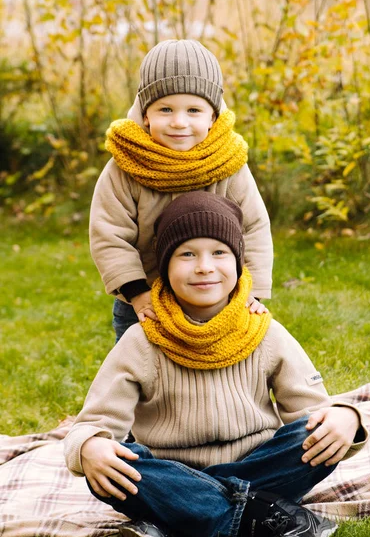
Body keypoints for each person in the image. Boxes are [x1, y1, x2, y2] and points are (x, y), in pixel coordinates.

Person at [64, 192, 368, 537]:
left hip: (260, 462)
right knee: (112, 470)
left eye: (219, 253)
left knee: (316, 437)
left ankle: (176, 521)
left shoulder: (264, 331)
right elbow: (93, 424)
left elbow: (314, 409)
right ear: (164, 266)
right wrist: (89, 448)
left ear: (239, 262)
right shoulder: (142, 340)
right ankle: (269, 516)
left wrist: (345, 417)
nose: (204, 267)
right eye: (187, 254)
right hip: (171, 471)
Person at [89, 39, 273, 341]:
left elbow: (253, 227)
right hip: (146, 299)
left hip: (215, 295)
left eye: (193, 110)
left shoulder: (227, 163)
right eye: (165, 109)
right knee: (141, 372)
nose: (179, 122)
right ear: (145, 114)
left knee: (214, 374)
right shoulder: (126, 166)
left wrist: (252, 291)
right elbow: (108, 234)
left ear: (213, 117)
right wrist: (135, 292)